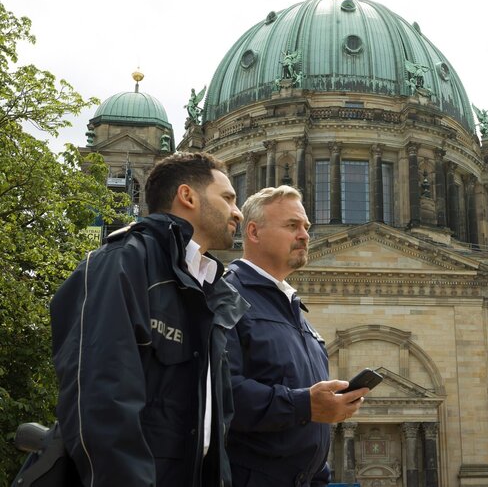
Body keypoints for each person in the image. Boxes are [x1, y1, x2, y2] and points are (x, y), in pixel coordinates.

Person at [50, 152, 248, 486]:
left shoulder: (212, 290)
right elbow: (100, 407)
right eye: (228, 197)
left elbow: (211, 429)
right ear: (187, 196)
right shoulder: (121, 263)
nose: (238, 212)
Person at [224, 186, 369, 486]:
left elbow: (309, 425)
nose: (304, 235)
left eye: (306, 226)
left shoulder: (296, 312)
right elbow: (222, 393)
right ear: (253, 232)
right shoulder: (226, 295)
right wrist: (305, 404)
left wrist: (319, 478)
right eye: (292, 226)